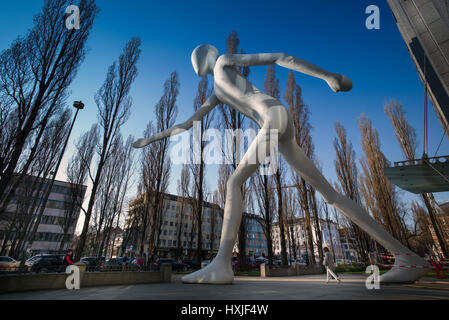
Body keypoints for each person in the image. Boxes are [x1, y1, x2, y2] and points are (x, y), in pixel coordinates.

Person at [133, 44, 428, 284]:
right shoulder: (216, 92)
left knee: (233, 182)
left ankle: (222, 264)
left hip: (274, 117)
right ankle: (407, 257)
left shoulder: (223, 61)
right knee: (330, 195)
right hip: (278, 124)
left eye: (197, 54)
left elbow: (277, 56)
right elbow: (187, 123)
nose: (195, 61)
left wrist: (327, 76)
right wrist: (152, 139)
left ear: (208, 53)